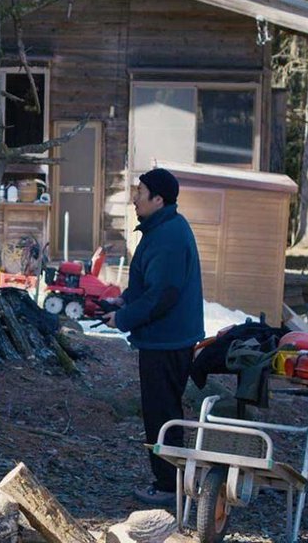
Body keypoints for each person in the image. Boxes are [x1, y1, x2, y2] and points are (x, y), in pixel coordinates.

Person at [104, 168, 205, 506]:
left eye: (141, 192)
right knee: (162, 411)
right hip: (164, 339)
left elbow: (163, 294)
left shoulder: (168, 235)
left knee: (162, 413)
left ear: (158, 199)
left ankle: (167, 485)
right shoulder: (160, 228)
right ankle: (172, 480)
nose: (135, 198)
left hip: (168, 341)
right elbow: (148, 282)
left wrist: (124, 317)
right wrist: (125, 300)